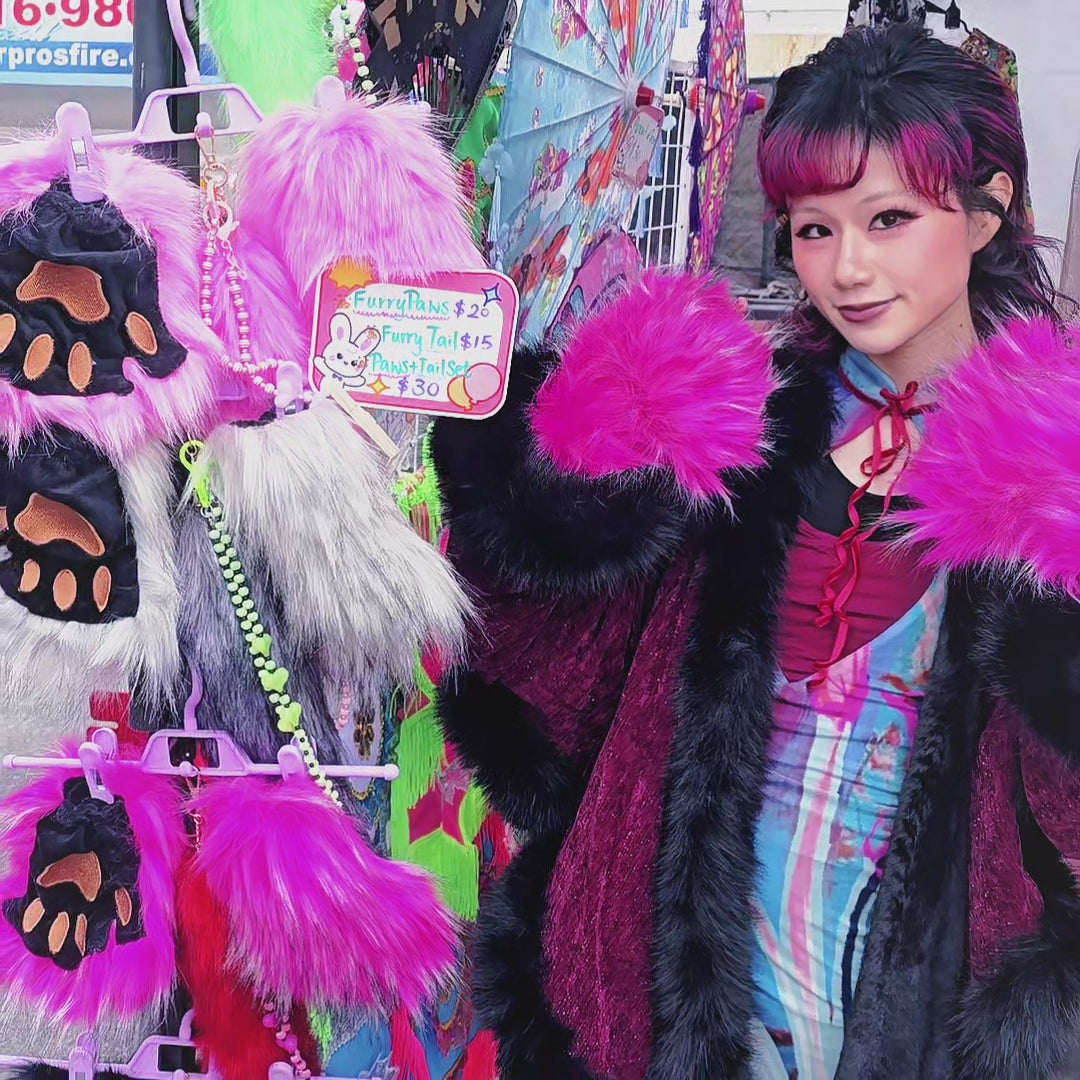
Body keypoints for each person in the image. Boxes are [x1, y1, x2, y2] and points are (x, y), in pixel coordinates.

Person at [430, 22, 1080, 1080]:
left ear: (986, 209)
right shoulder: (741, 431)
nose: (848, 268)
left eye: (890, 219)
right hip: (680, 975)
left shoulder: (1054, 464)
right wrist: (535, 475)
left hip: (917, 999)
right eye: (815, 229)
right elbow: (565, 685)